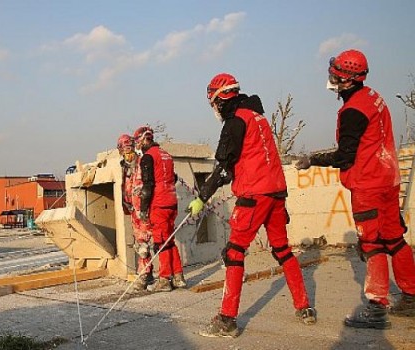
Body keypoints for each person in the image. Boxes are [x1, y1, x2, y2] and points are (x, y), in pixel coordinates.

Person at [188, 73, 316, 337]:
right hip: (277, 194)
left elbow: (223, 167)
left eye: (213, 103)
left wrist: (202, 197)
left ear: (220, 99)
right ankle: (304, 308)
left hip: (254, 196)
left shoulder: (235, 122)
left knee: (234, 253)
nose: (214, 109)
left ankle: (227, 320)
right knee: (282, 249)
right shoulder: (258, 118)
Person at [296, 49, 415, 328]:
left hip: (368, 184)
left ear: (347, 79)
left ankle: (375, 309)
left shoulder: (352, 110)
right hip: (388, 178)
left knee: (372, 243)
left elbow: (345, 156)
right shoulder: (373, 97)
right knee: (394, 239)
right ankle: (410, 298)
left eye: (336, 73)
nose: (331, 77)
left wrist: (312, 160)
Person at [134, 126, 185, 292]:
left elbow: (148, 185)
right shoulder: (166, 155)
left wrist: (143, 208)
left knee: (160, 242)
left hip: (159, 203)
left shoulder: (148, 157)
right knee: (169, 239)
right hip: (172, 202)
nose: (138, 145)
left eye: (138, 142)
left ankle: (164, 280)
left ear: (143, 139)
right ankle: (178, 276)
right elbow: (173, 177)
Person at [117, 134, 154, 290]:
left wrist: (144, 207)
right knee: (140, 242)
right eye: (125, 150)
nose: (128, 153)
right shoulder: (125, 167)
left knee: (143, 243)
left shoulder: (142, 163)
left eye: (130, 148)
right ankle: (149, 273)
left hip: (144, 209)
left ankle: (145, 275)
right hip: (133, 209)